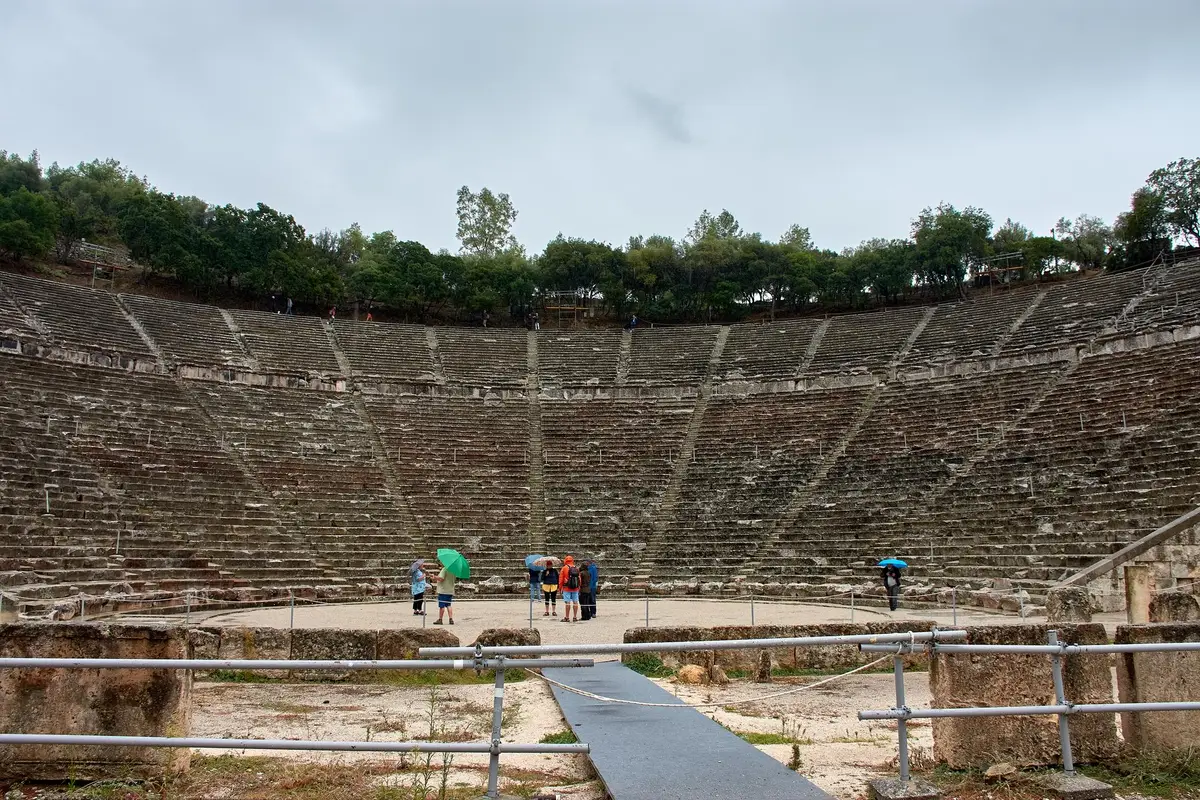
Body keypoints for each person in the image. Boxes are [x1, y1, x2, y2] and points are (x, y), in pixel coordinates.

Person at [559, 556, 582, 622]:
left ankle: (567, 617)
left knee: (567, 603)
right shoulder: (576, 568)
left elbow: (561, 579)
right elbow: (579, 579)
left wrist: (560, 588)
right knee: (575, 602)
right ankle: (575, 617)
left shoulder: (564, 568)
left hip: (566, 588)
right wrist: (579, 586)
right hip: (575, 588)